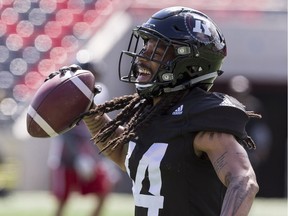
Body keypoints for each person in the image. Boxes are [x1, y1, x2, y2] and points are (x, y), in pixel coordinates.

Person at [62, 6, 261, 216]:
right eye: (144, 48)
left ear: (190, 65)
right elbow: (127, 156)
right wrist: (89, 110)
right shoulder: (154, 112)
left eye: (156, 53)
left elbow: (243, 181)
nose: (141, 58)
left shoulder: (202, 117)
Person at [48, 122, 120, 216]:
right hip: (66, 163)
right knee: (62, 201)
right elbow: (64, 135)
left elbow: (96, 139)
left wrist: (106, 162)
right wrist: (78, 158)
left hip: (89, 162)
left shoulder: (92, 113)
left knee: (104, 190)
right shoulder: (68, 112)